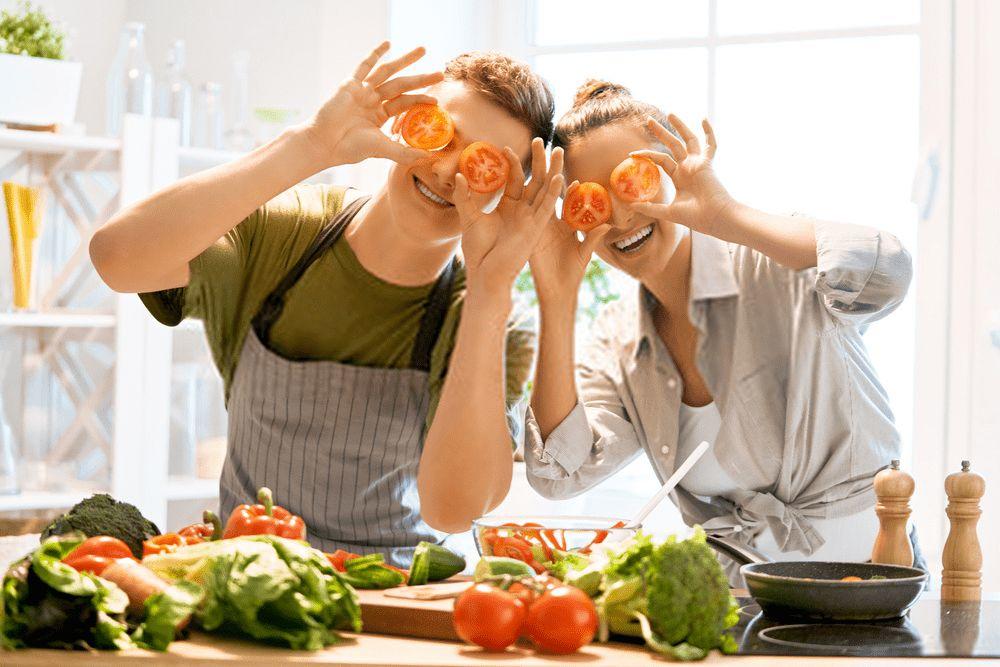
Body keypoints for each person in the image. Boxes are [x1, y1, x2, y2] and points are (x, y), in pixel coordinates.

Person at [89, 43, 564, 566]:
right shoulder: (286, 235)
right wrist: (313, 144)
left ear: (510, 193)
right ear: (407, 122)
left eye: (483, 167)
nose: (449, 171)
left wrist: (490, 286)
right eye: (442, 135)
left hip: (397, 603)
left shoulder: (492, 314)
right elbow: (117, 258)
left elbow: (455, 508)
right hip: (245, 589)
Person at [525, 80, 915, 581]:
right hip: (738, 608)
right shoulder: (618, 339)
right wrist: (556, 297)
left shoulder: (776, 263)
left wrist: (727, 216)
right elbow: (560, 473)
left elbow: (889, 273)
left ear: (675, 176)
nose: (622, 216)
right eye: (594, 201)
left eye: (636, 182)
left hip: (865, 588)